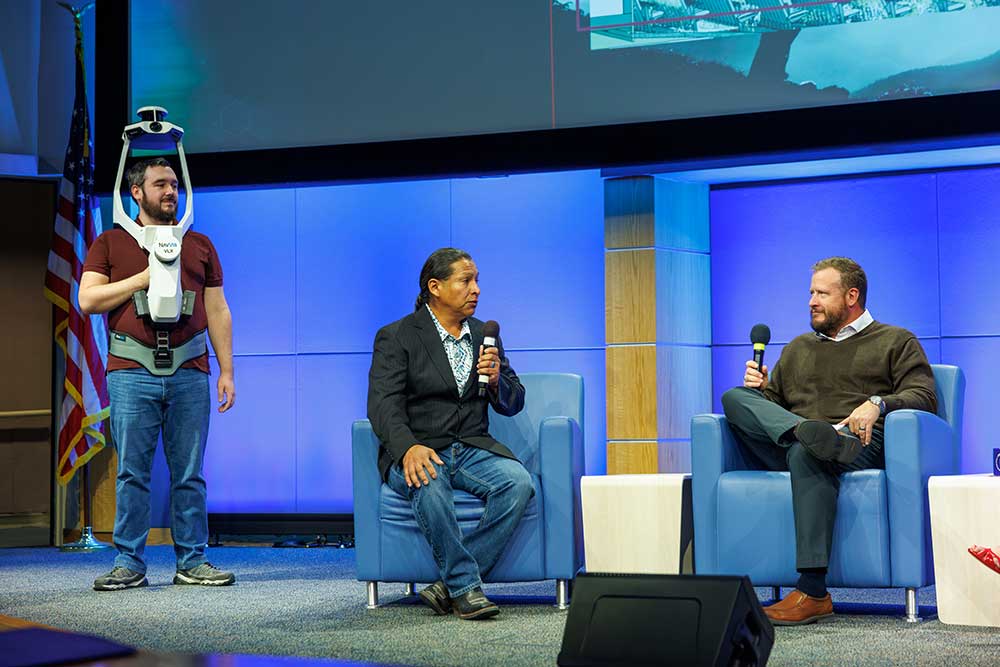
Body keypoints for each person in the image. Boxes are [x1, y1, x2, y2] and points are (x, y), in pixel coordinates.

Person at [720, 257, 937, 625]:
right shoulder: (798, 348)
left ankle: (813, 592)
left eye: (822, 293)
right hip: (797, 436)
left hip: (854, 441)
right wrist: (759, 392)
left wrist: (877, 403)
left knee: (808, 453)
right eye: (810, 293)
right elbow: (772, 407)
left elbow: (925, 396)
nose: (811, 301)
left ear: (852, 296)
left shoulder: (896, 341)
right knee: (734, 398)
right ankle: (806, 433)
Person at [80, 157, 236, 591]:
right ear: (136, 192)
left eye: (175, 184)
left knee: (190, 472)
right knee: (133, 471)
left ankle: (192, 559)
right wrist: (142, 278)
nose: (171, 192)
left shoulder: (199, 244)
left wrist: (227, 370)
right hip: (131, 371)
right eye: (161, 184)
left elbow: (218, 310)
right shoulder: (110, 243)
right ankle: (129, 561)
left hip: (189, 369)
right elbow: (88, 299)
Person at [367, 247, 534, 620]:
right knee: (428, 479)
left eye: (477, 281)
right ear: (435, 287)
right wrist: (407, 448)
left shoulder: (483, 335)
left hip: (472, 447)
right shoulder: (397, 336)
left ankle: (450, 585)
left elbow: (514, 400)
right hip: (420, 445)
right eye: (466, 280)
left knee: (518, 483)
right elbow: (383, 404)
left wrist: (495, 382)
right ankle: (465, 588)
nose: (476, 289)